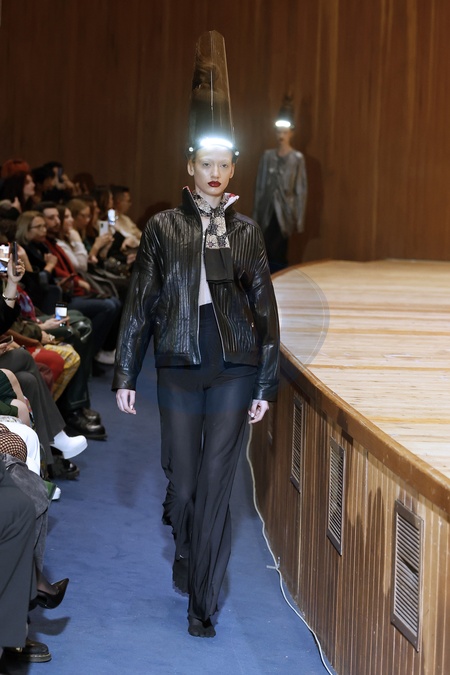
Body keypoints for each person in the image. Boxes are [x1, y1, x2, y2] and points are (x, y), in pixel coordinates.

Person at [113, 30, 280, 639]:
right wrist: (125, 372)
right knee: (183, 487)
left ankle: (202, 605)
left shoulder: (247, 232)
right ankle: (185, 546)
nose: (214, 173)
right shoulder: (162, 228)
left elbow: (266, 309)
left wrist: (265, 381)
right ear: (190, 167)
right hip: (180, 363)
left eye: (223, 165)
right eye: (205, 164)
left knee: (215, 486)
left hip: (234, 364)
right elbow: (140, 303)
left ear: (232, 168)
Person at [253, 94, 308, 273]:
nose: (281, 135)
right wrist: (256, 214)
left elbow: (300, 190)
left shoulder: (296, 158)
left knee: (280, 248)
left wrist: (299, 219)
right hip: (267, 209)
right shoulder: (267, 156)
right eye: (278, 131)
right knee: (265, 246)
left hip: (285, 211)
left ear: (291, 133)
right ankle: (266, 278)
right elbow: (260, 187)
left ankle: (278, 276)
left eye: (285, 132)